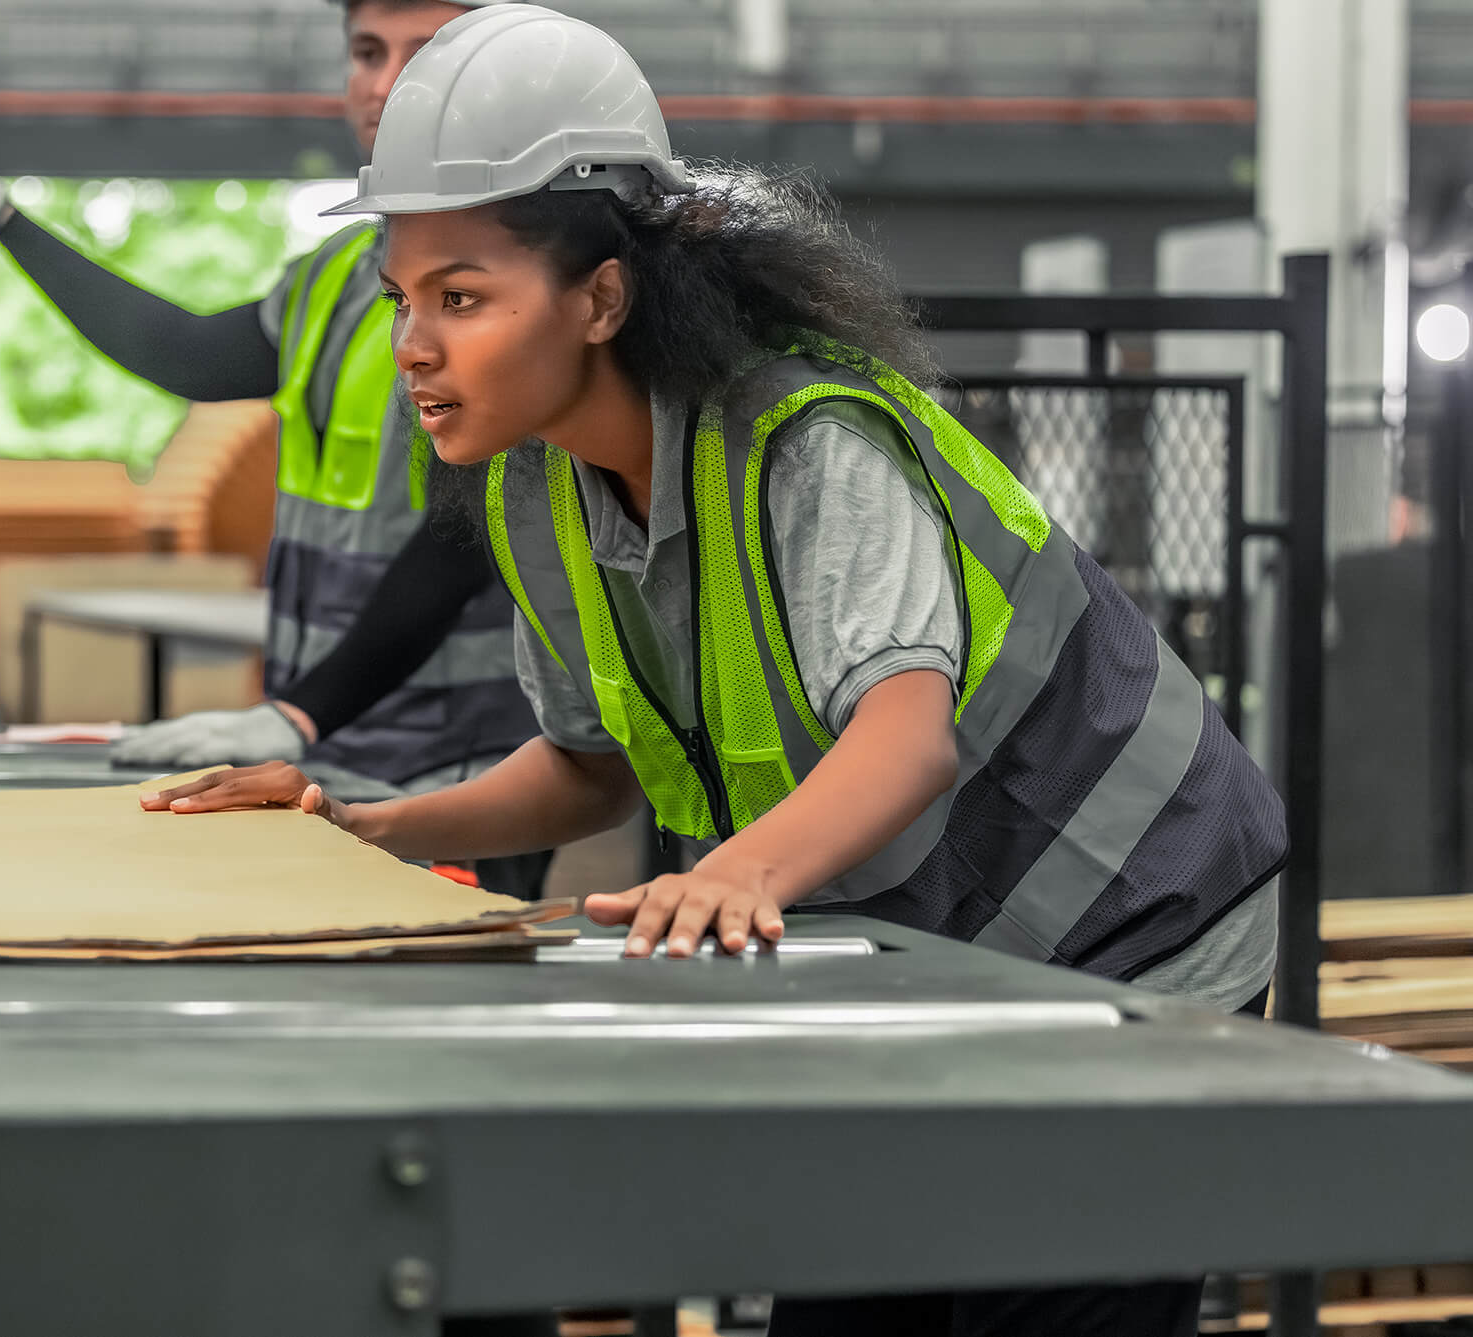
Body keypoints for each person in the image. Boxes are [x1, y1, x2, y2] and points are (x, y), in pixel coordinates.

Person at [142, 8, 1286, 1334]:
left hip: (1131, 929)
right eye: (405, 299)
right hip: (943, 953)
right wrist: (370, 824)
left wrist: (731, 872)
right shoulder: (537, 488)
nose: (413, 347)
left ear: (601, 298)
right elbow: (585, 763)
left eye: (463, 298)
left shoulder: (805, 439)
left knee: (1025, 1290)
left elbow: (905, 738)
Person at [0, 0, 549, 896]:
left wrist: (297, 714)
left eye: (426, 54)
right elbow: (187, 354)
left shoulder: (516, 280)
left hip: (458, 766)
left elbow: (467, 535)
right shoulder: (338, 276)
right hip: (327, 749)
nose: (388, 83)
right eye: (366, 51)